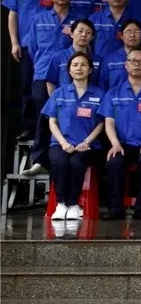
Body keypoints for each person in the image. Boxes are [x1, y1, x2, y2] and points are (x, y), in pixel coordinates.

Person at [100, 46, 141, 220]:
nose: (137, 64)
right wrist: (115, 144)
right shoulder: (113, 93)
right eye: (133, 61)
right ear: (126, 65)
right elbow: (109, 122)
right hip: (121, 143)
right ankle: (115, 208)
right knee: (114, 162)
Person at [22, 0, 80, 176]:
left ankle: (65, 155)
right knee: (44, 113)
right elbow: (32, 48)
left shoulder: (78, 20)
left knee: (69, 114)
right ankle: (40, 159)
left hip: (69, 75)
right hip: (42, 72)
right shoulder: (39, 19)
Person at [43, 52, 105, 221]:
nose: (79, 68)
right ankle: (61, 203)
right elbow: (52, 121)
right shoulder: (59, 93)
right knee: (60, 162)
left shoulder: (99, 94)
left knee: (77, 162)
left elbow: (101, 123)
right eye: (75, 65)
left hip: (88, 145)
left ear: (90, 70)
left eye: (84, 65)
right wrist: (63, 142)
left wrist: (86, 142)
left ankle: (73, 203)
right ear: (69, 70)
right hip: (60, 143)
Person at [3, 0, 54, 139]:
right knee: (28, 86)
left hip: (53, 47)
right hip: (27, 46)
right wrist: (14, 43)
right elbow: (12, 15)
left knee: (53, 87)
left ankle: (52, 127)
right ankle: (30, 127)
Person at [45, 18, 101, 92]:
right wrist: (55, 98)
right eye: (80, 31)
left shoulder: (98, 59)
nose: (84, 35)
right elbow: (50, 83)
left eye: (88, 32)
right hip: (64, 98)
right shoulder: (58, 57)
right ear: (71, 34)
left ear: (92, 37)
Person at [101, 19, 141, 91]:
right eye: (128, 31)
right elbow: (103, 86)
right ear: (121, 35)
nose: (132, 35)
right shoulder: (110, 59)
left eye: (137, 31)